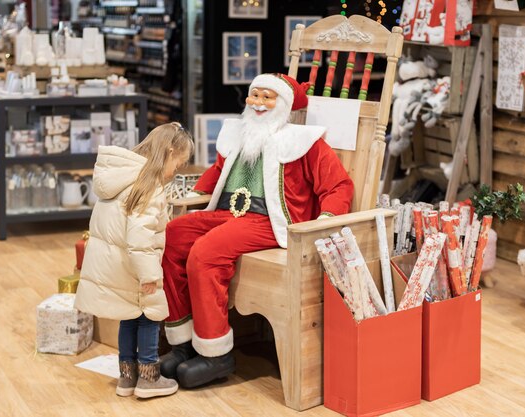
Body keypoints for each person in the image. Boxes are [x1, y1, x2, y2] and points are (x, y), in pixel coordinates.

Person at [160, 73, 354, 388]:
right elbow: (219, 171)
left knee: (205, 254)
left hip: (269, 221)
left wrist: (327, 218)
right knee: (174, 235)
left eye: (268, 97)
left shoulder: (303, 142)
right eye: (255, 96)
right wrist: (194, 195)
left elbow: (338, 185)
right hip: (227, 212)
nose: (259, 103)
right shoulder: (238, 134)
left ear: (284, 104)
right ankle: (183, 343)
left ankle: (215, 353)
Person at [74, 123, 193, 398]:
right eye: (178, 163)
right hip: (135, 267)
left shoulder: (123, 178)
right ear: (169, 152)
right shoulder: (149, 188)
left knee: (129, 318)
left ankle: (126, 378)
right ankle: (149, 378)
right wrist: (150, 275)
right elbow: (140, 239)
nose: (176, 171)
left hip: (115, 263)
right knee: (150, 317)